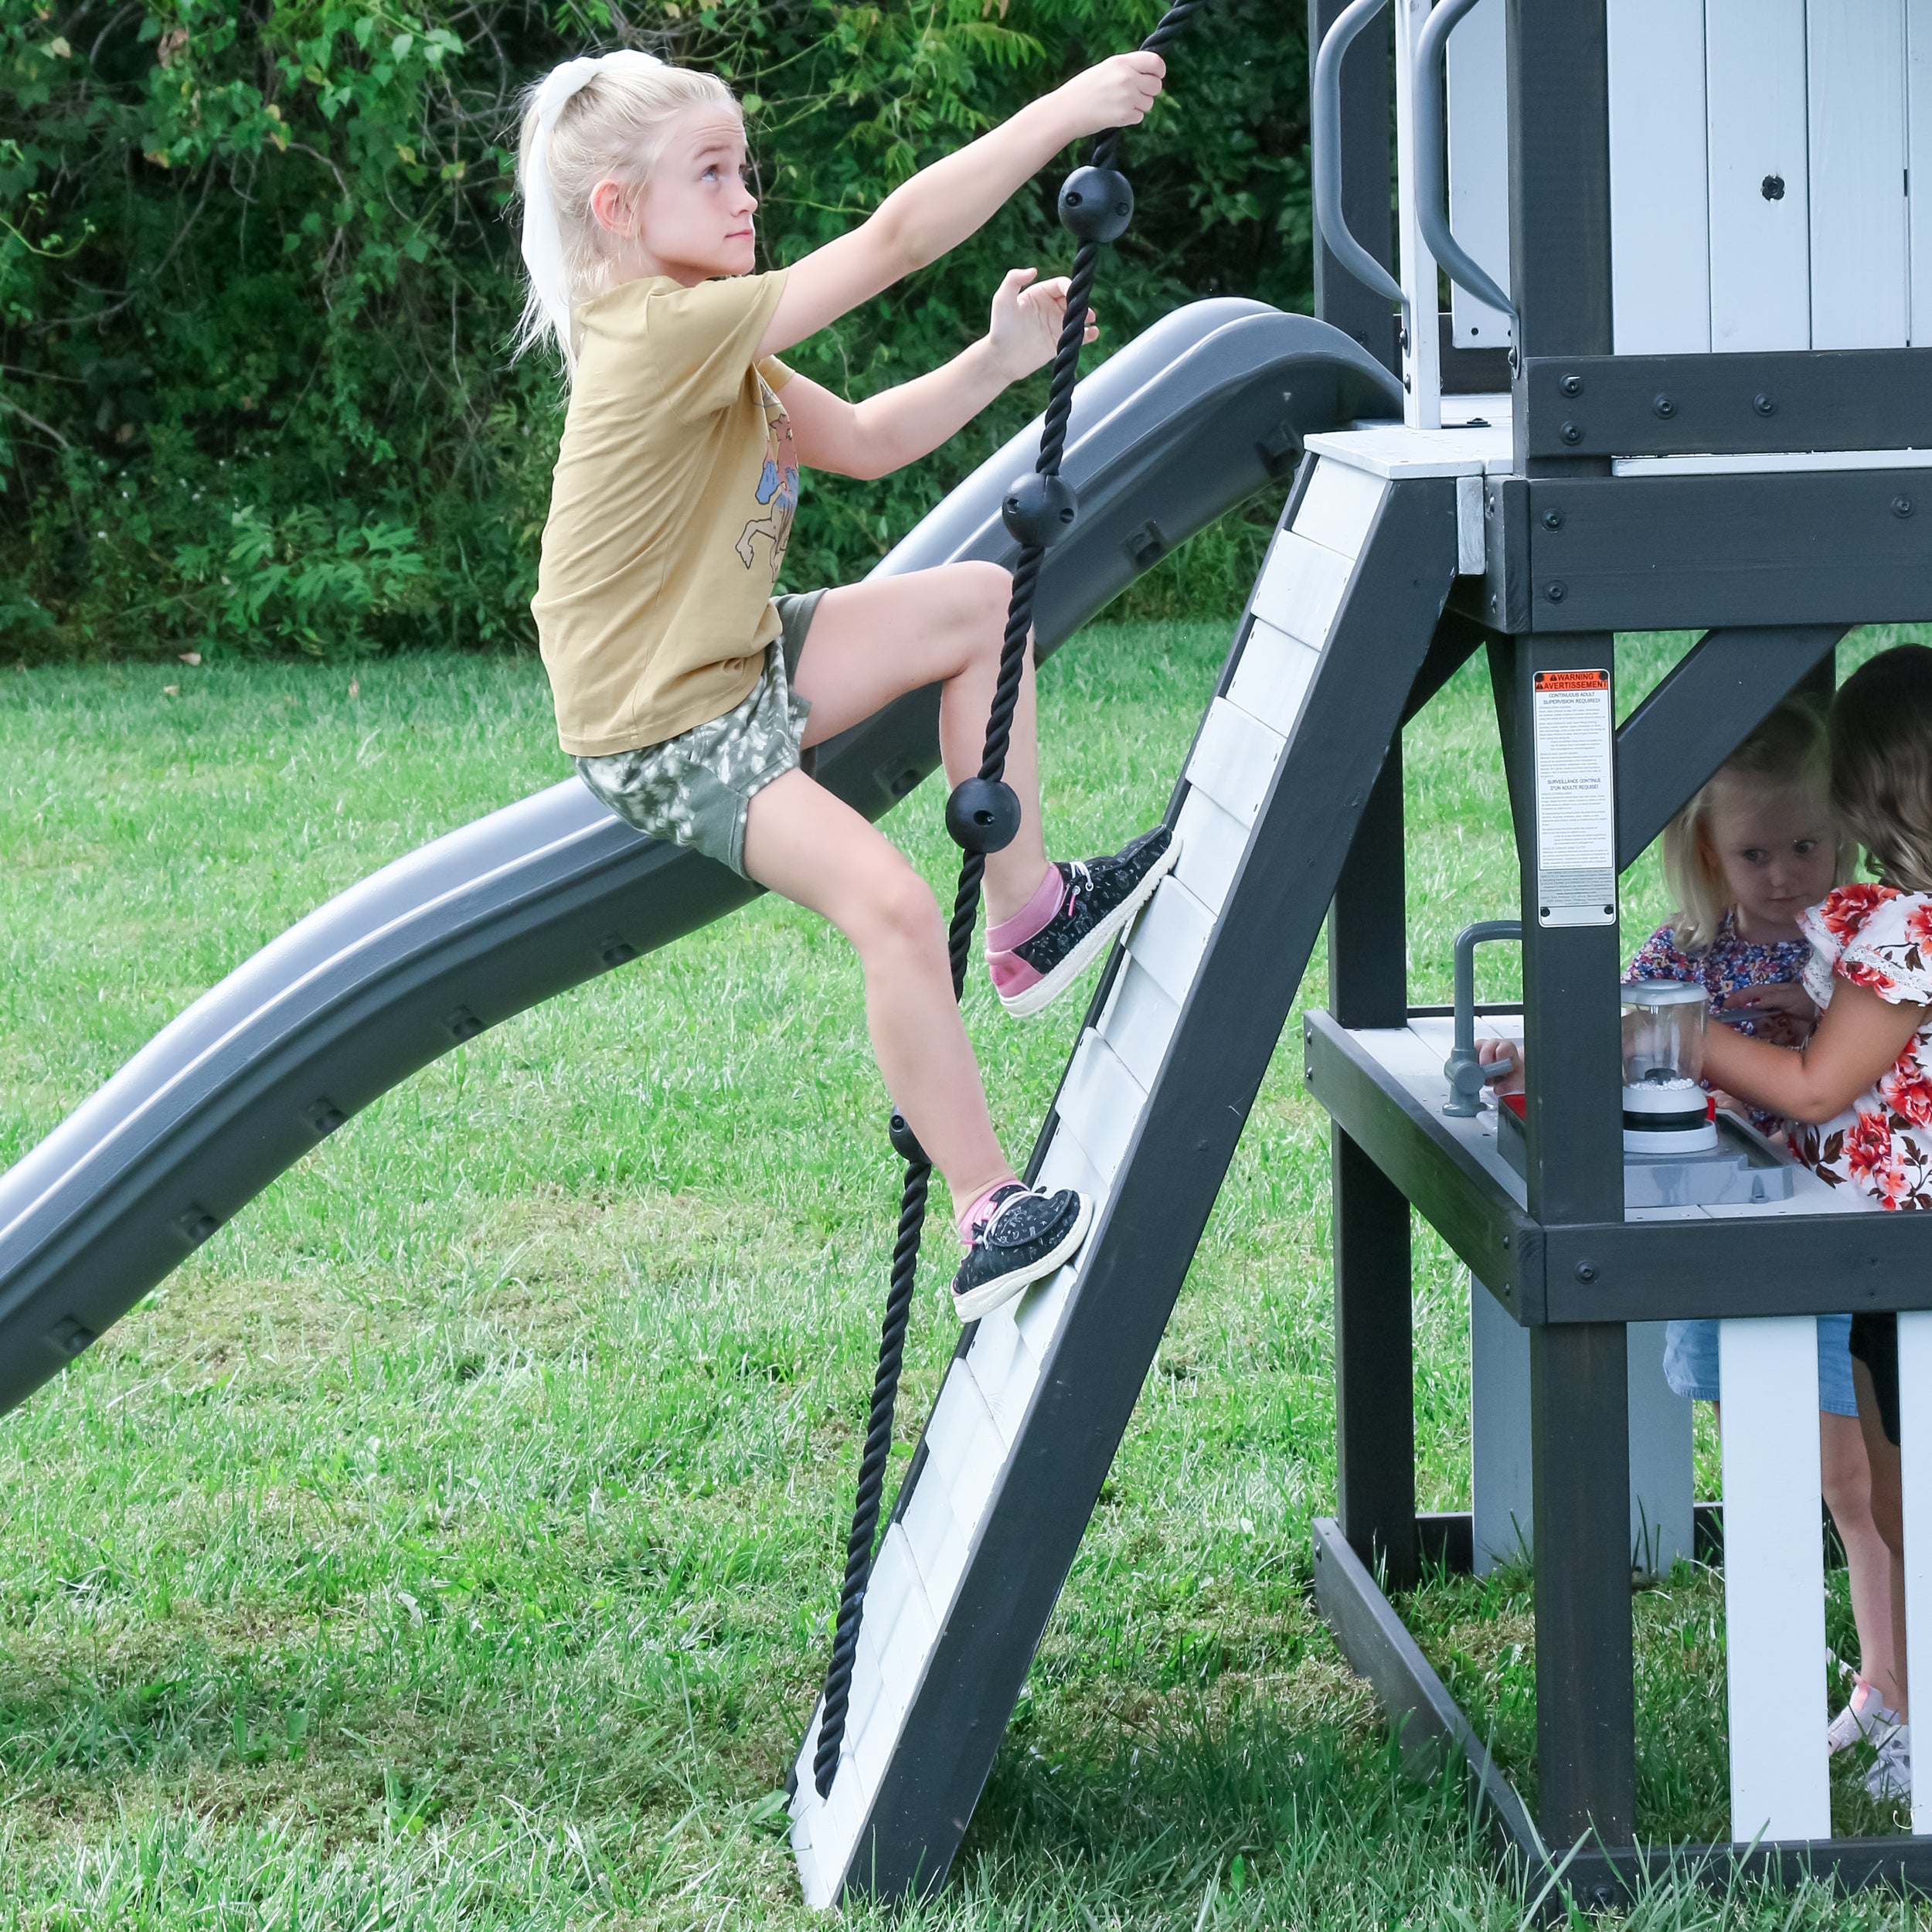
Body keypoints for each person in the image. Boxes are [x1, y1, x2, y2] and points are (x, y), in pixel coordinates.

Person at [512, 49, 1179, 1320]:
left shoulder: (718, 346)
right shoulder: (655, 332)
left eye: (742, 168)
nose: (744, 196)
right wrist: (1064, 112)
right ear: (616, 209)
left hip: (741, 653)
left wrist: (995, 360)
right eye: (709, 173)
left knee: (985, 605)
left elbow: (867, 443)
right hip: (668, 725)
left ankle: (1030, 913)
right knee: (887, 902)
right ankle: (988, 1210)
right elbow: (891, 239)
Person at [1624, 703, 1904, 1774]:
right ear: (1706, 851)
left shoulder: (1870, 945)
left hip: (1843, 1244)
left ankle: (1890, 1684)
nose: (1785, 874)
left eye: (1807, 846)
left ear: (1847, 834)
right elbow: (1628, 1042)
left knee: (1862, 1478)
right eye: (1754, 853)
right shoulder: (1684, 956)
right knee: (1797, 1472)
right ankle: (1870, 1680)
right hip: (1733, 1243)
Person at [1701, 646, 1932, 1804]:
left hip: (1906, 1248)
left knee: (1906, 1496)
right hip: (1898, 1247)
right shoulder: (1905, 931)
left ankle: (1922, 1726)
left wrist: (1683, 1039)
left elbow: (1809, 1090)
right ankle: (1905, 1700)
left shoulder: (1907, 933)